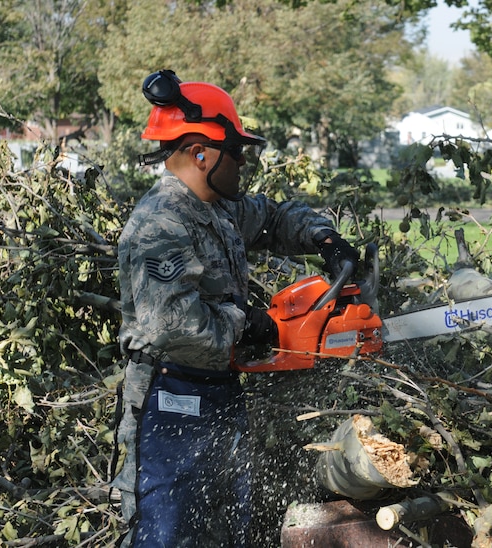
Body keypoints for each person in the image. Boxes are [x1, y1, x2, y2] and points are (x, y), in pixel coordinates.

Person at [111, 70, 359, 547]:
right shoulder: (161, 223)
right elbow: (176, 327)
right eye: (236, 153)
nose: (242, 163)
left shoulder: (218, 210)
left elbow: (271, 217)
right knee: (168, 533)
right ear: (201, 153)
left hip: (220, 392)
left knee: (226, 529)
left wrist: (325, 240)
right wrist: (256, 324)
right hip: (171, 398)